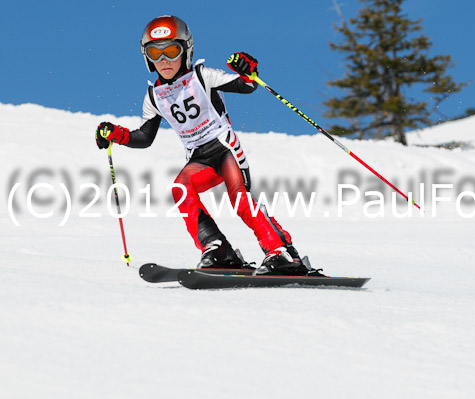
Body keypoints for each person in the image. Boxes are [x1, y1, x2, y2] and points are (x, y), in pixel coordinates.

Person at [95, 15, 322, 276]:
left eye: (171, 50)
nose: (164, 60)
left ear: (186, 50)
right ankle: (218, 250)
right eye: (155, 53)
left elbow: (247, 86)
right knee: (181, 188)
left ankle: (280, 252)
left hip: (225, 150)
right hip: (199, 160)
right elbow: (144, 137)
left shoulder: (203, 77)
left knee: (240, 198)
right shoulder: (154, 96)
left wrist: (247, 69)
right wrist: (116, 135)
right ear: (146, 57)